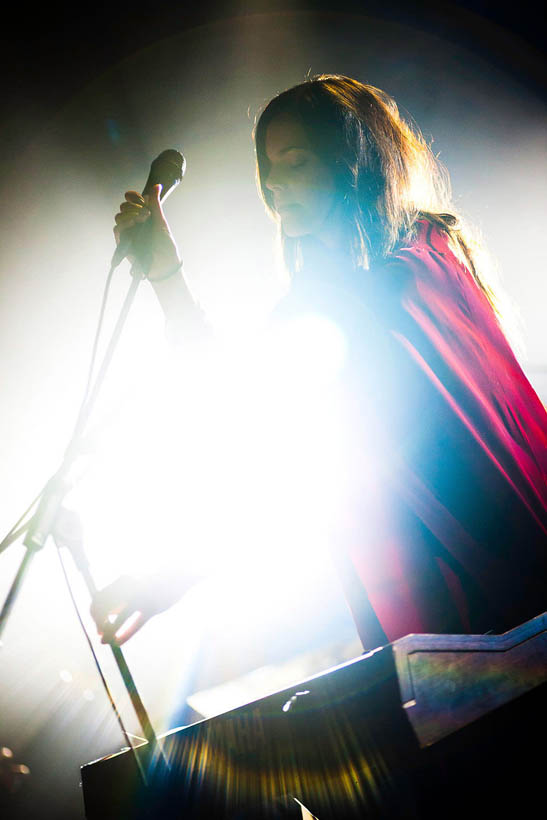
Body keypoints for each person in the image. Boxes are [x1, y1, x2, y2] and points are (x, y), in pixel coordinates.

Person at [92, 74, 547, 652]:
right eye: (269, 169)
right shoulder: (411, 262)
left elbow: (247, 410)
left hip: (487, 612)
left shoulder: (406, 274)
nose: (277, 185)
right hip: (471, 612)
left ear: (351, 163)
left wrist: (166, 275)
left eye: (296, 163)